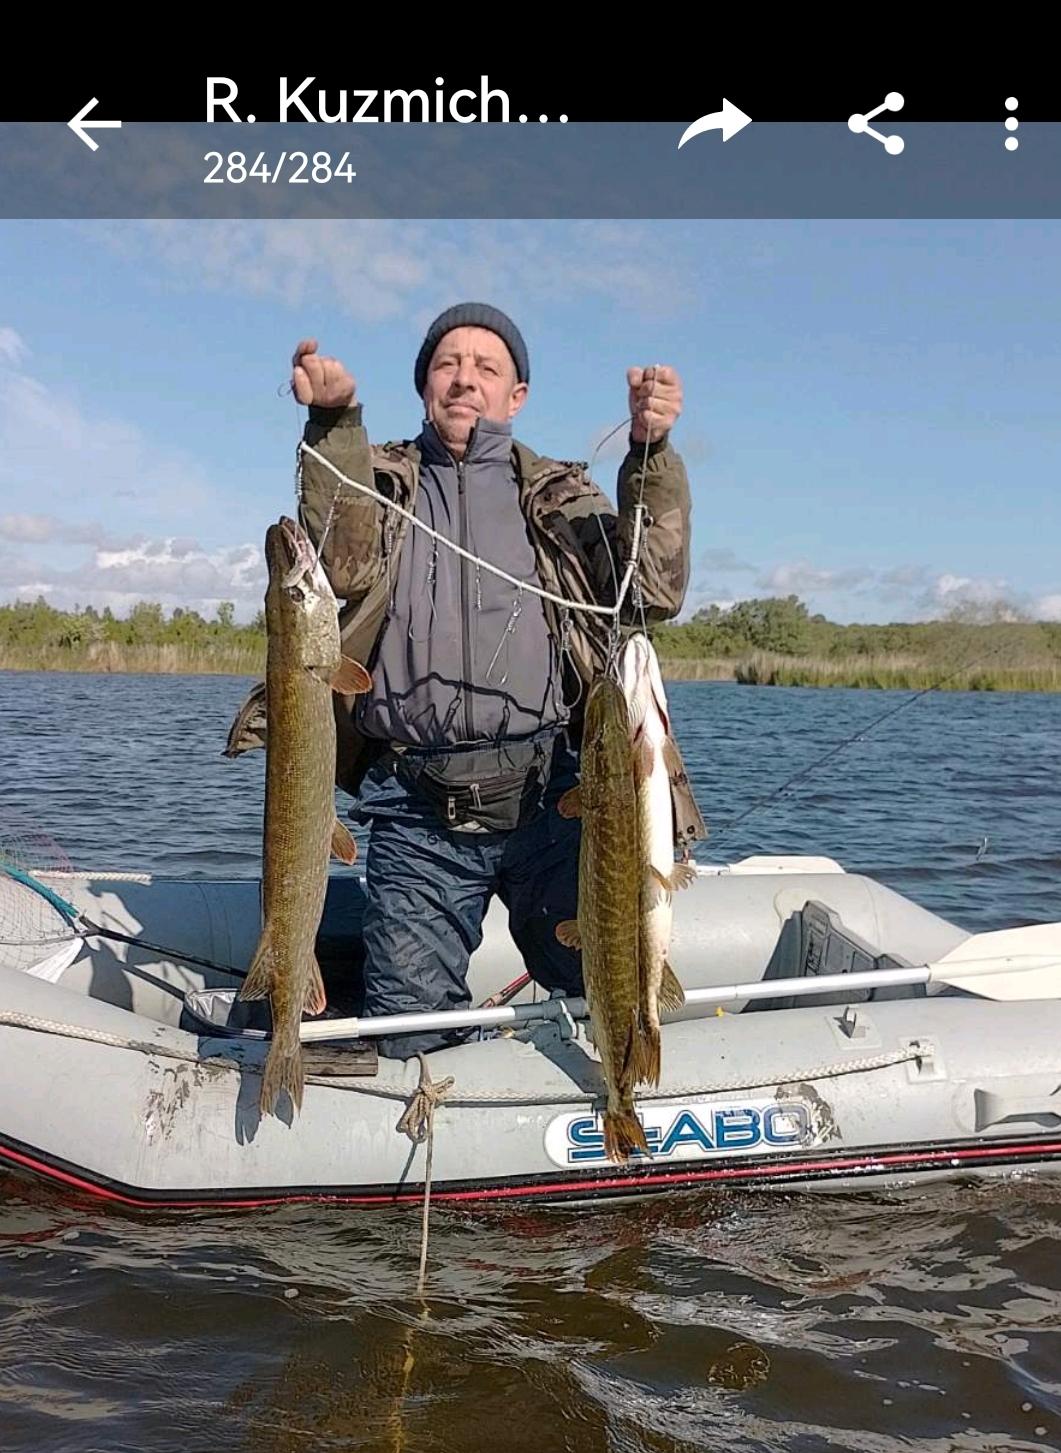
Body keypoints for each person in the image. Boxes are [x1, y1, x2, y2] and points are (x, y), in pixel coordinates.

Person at [233, 302, 701, 1058]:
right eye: (448, 363)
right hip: (417, 810)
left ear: (517, 395)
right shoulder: (382, 482)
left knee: (610, 987)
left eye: (487, 367)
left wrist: (650, 453)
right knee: (410, 1035)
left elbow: (652, 590)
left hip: (553, 799)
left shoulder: (562, 496)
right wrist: (334, 422)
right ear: (424, 384)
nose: (464, 379)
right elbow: (339, 565)